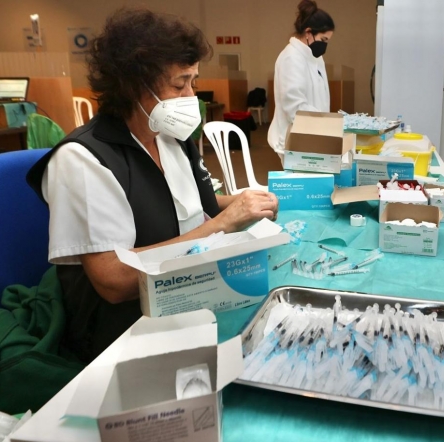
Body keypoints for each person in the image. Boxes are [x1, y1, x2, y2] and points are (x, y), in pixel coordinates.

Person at [26, 8, 278, 363]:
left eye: (194, 80)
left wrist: (241, 203)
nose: (192, 95)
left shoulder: (169, 136)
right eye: (180, 84)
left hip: (190, 292)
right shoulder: (83, 160)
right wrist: (222, 224)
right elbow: (113, 281)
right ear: (132, 86)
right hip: (124, 330)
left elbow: (188, 203)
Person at [268, 0, 334, 158]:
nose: (324, 46)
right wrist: (328, 124)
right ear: (308, 32)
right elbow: (295, 107)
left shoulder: (314, 57)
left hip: (313, 134)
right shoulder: (291, 58)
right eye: (324, 40)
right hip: (295, 140)